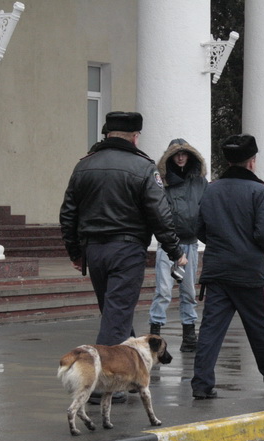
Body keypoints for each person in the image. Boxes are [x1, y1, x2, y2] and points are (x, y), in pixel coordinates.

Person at [60, 111, 188, 402]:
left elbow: (68, 213)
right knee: (116, 318)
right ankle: (100, 386)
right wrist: (175, 251)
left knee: (115, 313)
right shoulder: (143, 168)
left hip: (95, 251)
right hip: (127, 250)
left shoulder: (84, 166)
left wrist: (76, 252)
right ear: (135, 136)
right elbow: (159, 213)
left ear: (107, 134)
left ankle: (130, 376)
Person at [191, 134, 264, 399]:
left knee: (211, 329)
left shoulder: (211, 188)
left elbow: (199, 229)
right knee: (260, 325)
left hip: (216, 269)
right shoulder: (260, 191)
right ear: (251, 162)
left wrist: (222, 241)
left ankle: (201, 384)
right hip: (248, 271)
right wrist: (263, 244)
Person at [148, 138, 208, 352]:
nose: (181, 157)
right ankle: (154, 337)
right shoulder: (160, 182)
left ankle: (189, 336)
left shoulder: (200, 182)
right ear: (170, 158)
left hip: (191, 244)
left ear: (190, 156)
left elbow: (207, 208)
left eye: (184, 154)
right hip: (168, 244)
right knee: (163, 290)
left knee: (189, 291)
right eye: (176, 154)